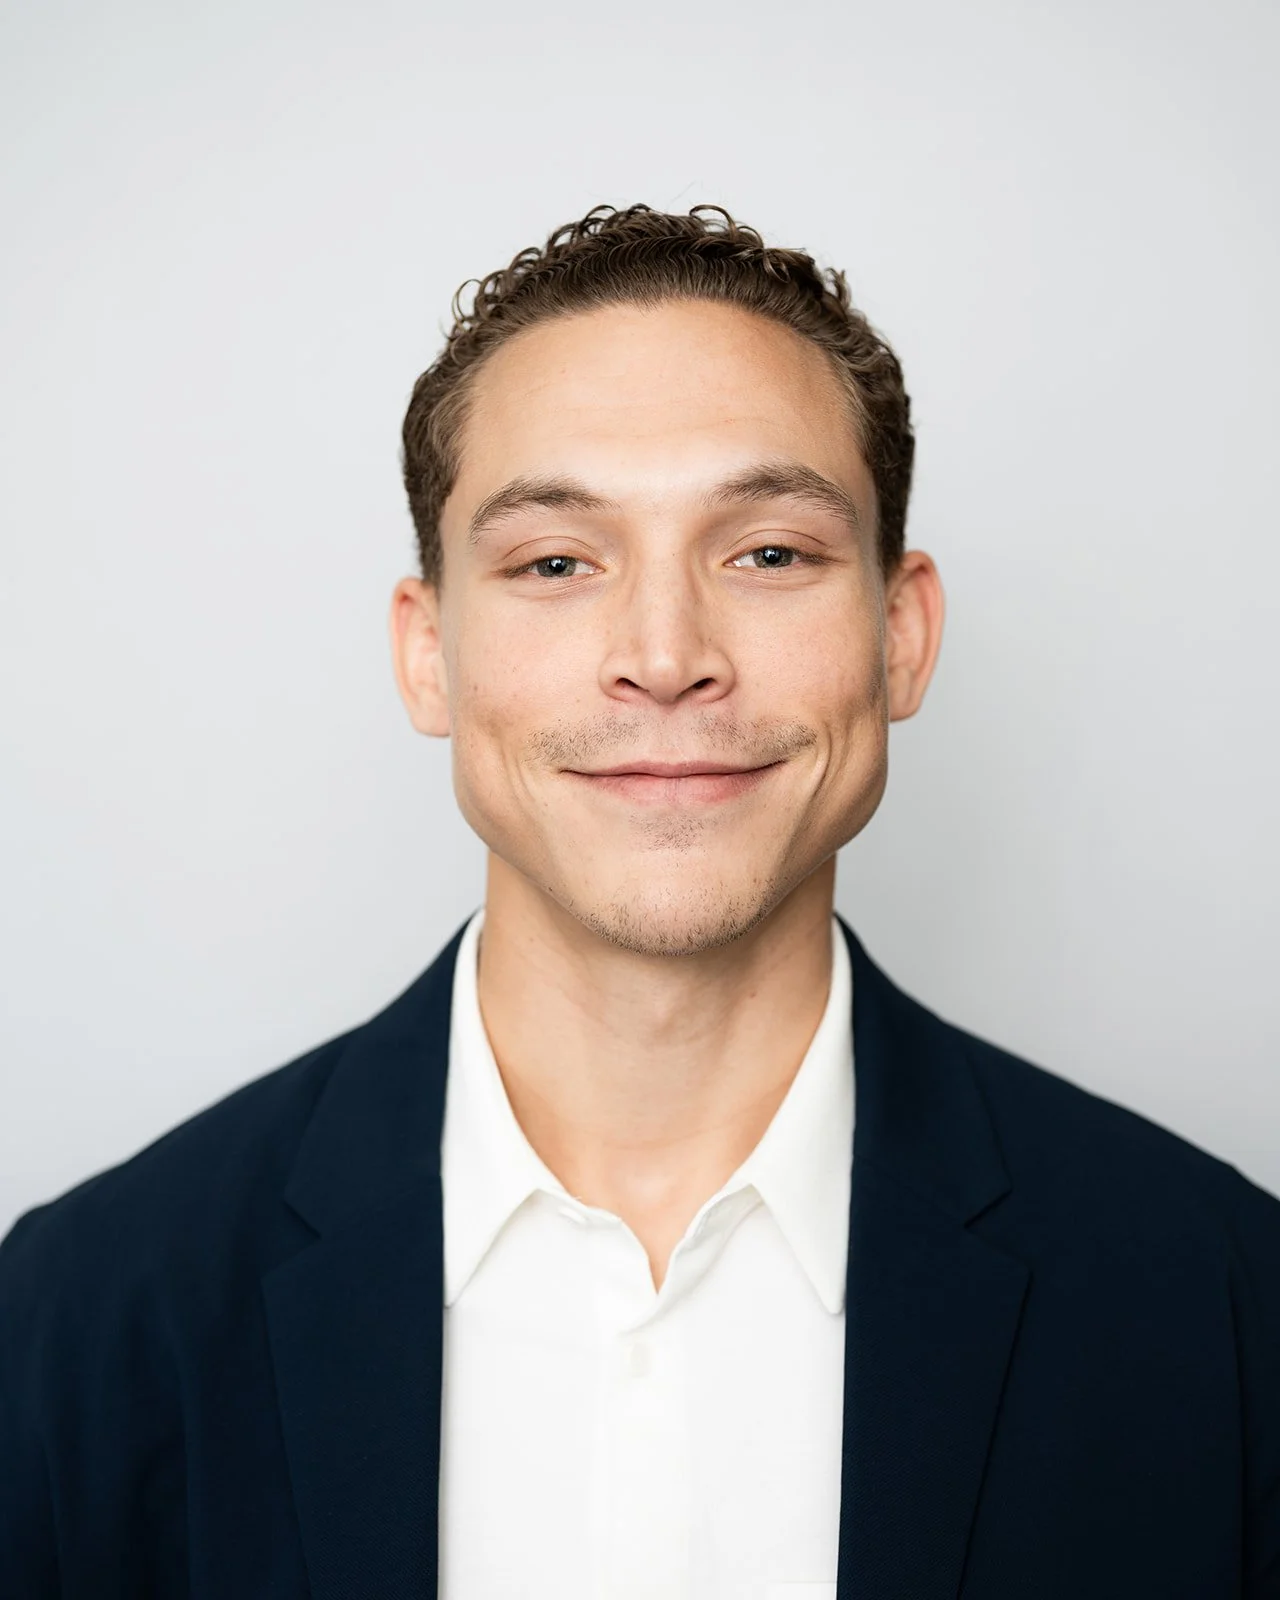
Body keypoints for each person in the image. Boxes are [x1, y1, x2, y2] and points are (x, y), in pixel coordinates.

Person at [1, 203, 1277, 1600]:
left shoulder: (1223, 1304)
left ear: (899, 635)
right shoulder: (76, 1323)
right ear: (428, 657)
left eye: (768, 553)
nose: (665, 657)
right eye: (556, 563)